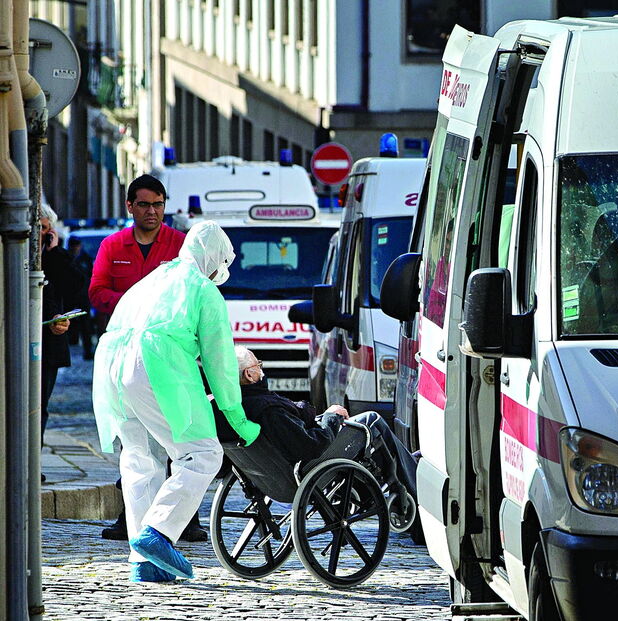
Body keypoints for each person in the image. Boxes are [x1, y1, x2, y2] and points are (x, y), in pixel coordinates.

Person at [92, 220, 260, 583]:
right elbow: (220, 362)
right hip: (155, 365)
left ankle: (145, 562)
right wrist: (237, 417)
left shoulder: (154, 278)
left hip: (111, 365)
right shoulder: (203, 289)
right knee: (202, 453)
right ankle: (158, 533)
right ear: (214, 258)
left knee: (140, 460)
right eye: (221, 264)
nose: (221, 273)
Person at [87, 174, 203, 542]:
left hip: (170, 359)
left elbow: (194, 291)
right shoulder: (113, 245)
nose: (152, 211)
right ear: (130, 207)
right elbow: (96, 290)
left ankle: (186, 520)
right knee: (133, 439)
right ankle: (130, 519)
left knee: (179, 433)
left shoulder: (179, 244)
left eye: (158, 204)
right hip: (125, 356)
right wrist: (130, 308)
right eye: (144, 204)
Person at [222, 346, 418, 505]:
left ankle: (407, 463)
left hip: (273, 478)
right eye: (258, 365)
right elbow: (310, 445)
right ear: (249, 374)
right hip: (309, 467)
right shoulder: (268, 409)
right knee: (371, 419)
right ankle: (414, 481)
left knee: (362, 426)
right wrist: (331, 417)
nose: (262, 369)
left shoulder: (238, 408)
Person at [40, 205, 86, 449]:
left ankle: (32, 464)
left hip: (47, 345)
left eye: (44, 229)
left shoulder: (54, 257)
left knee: (39, 407)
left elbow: (74, 286)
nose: (38, 234)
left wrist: (55, 251)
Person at [66, 237, 95, 360]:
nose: (76, 249)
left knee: (85, 326)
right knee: (70, 327)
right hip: (70, 298)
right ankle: (71, 350)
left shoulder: (86, 258)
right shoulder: (66, 258)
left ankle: (87, 351)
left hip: (83, 297)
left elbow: (91, 276)